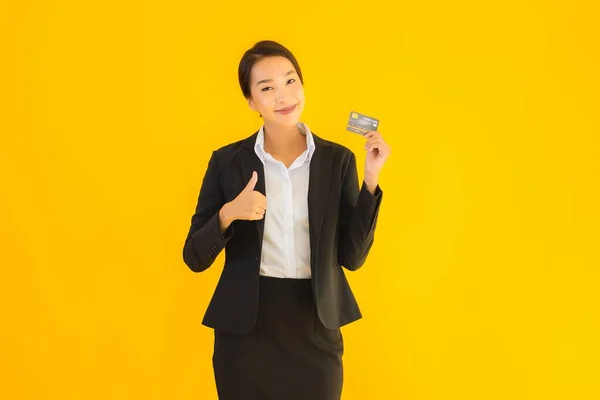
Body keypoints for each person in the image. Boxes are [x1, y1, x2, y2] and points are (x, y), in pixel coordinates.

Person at [182, 40, 391, 400]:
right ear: (251, 101)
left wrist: (370, 179)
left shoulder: (337, 160)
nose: (283, 96)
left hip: (315, 323)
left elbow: (353, 258)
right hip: (246, 329)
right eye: (267, 88)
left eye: (290, 81)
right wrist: (229, 213)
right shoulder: (227, 162)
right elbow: (194, 257)